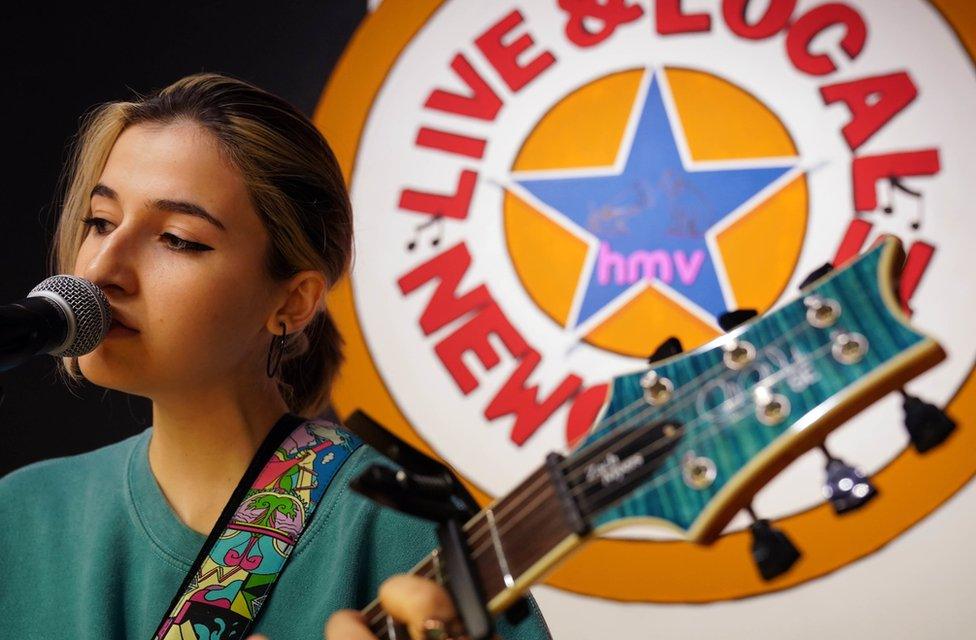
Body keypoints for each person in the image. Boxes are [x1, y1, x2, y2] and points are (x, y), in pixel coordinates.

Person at [0, 73, 550, 640]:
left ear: (293, 300)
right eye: (101, 222)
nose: (99, 270)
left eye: (178, 238)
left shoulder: (403, 523)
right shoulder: (21, 514)